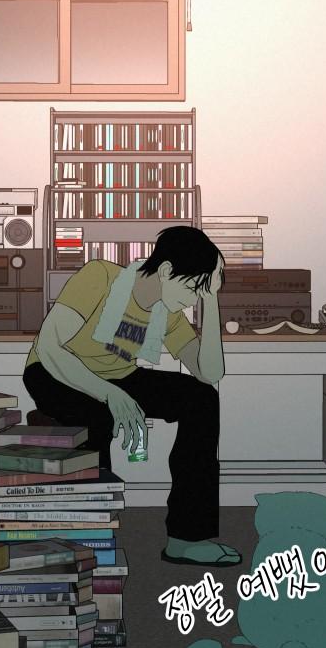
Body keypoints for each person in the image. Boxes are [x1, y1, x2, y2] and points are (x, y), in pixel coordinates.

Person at [23, 225, 241, 566]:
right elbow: (51, 347)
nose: (192, 299)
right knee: (97, 415)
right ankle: (91, 538)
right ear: (166, 270)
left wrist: (211, 298)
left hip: (117, 375)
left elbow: (209, 372)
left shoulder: (168, 313)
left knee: (201, 399)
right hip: (53, 371)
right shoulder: (99, 277)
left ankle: (187, 538)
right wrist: (109, 394)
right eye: (192, 288)